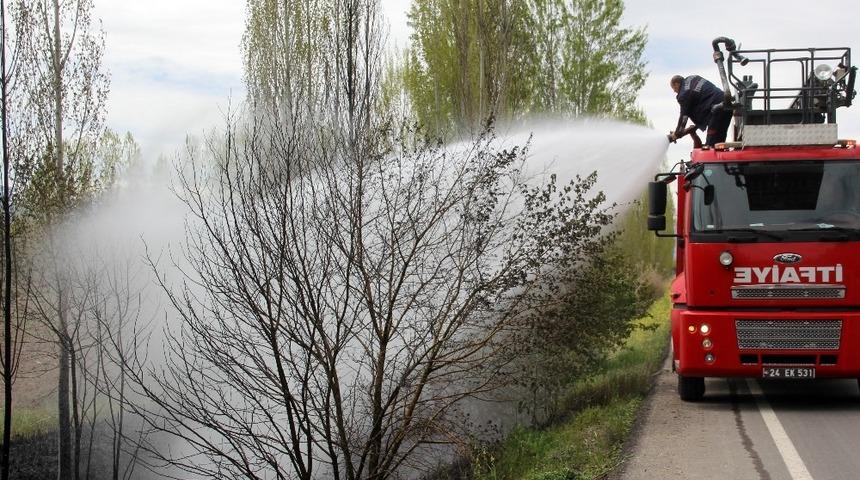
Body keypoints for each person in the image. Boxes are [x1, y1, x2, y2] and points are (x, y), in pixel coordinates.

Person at [668, 74, 733, 147]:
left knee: (711, 146)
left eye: (673, 88)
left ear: (677, 84)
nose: (674, 91)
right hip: (727, 104)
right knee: (719, 141)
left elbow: (684, 117)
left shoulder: (683, 94)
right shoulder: (693, 77)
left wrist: (676, 134)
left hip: (717, 110)